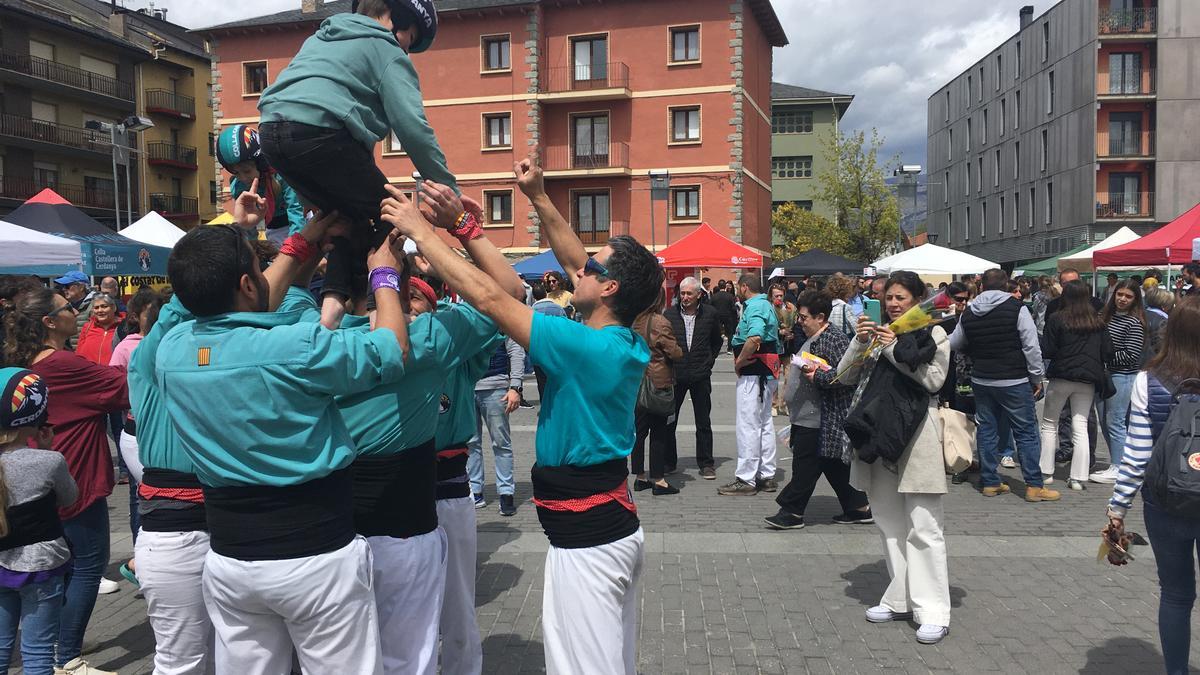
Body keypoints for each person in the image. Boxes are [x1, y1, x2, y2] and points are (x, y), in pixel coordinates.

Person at [383, 157, 662, 674]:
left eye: (593, 268)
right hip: (603, 526)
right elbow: (576, 256)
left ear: (609, 290)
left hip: (589, 542)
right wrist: (535, 196)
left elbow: (491, 296)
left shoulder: (582, 346)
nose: (579, 267)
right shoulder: (620, 336)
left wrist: (424, 231)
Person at [156, 217, 410, 673]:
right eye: (258, 268)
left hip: (232, 558)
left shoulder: (170, 349)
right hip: (315, 557)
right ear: (246, 284)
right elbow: (391, 350)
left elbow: (241, 303)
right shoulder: (294, 346)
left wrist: (301, 244)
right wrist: (384, 275)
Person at [257, 0, 455, 330]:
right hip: (321, 133)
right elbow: (413, 129)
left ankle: (331, 310)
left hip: (272, 135)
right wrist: (448, 191)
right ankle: (383, 318)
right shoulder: (386, 47)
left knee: (342, 221)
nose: (407, 47)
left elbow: (349, 142)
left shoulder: (320, 40)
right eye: (411, 36)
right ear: (398, 21)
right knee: (392, 217)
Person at [2, 288, 127, 675]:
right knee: (88, 566)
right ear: (49, 322)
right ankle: (66, 655)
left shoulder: (19, 363)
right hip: (71, 477)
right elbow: (121, 385)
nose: (79, 311)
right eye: (69, 307)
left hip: (20, 487)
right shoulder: (61, 364)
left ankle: (53, 649)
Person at [836, 271, 951, 645]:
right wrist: (860, 341)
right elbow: (844, 377)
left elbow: (933, 381)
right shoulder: (878, 332)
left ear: (918, 298)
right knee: (888, 521)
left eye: (901, 297)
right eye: (888, 297)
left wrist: (890, 347)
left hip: (917, 436)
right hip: (876, 436)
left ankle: (933, 609)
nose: (893, 304)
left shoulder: (933, 332)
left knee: (924, 524)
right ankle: (900, 596)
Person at [1104, 295, 1200, 675]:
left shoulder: (1148, 380)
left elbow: (1137, 455)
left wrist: (1117, 509)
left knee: (1176, 595)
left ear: (1170, 332)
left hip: (1166, 502)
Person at [950, 269, 1058, 502]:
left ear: (982, 287)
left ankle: (990, 482)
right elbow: (1031, 346)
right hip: (1014, 379)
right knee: (1026, 432)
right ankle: (1033, 486)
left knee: (987, 429)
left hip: (982, 378)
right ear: (1005, 286)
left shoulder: (969, 312)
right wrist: (1036, 377)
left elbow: (956, 342)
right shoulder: (1016, 309)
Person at [764, 290, 870, 529]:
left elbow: (845, 376)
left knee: (805, 467)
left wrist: (817, 376)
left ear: (820, 317)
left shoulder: (833, 339)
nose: (800, 322)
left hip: (821, 418)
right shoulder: (817, 337)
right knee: (833, 465)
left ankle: (791, 512)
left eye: (804, 317)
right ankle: (858, 507)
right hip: (809, 416)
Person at [0, 369, 78, 675]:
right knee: (38, 652)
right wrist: (47, 449)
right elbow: (70, 498)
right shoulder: (49, 461)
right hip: (41, 568)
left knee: (2, 646)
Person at [107, 288, 164, 586]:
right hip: (136, 430)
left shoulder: (170, 344)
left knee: (152, 497)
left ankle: (142, 563)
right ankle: (141, 563)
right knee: (145, 497)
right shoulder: (131, 347)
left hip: (150, 431)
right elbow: (116, 387)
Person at [1038, 281, 1113, 492]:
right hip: (1088, 378)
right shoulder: (1097, 322)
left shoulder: (1056, 319)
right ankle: (1078, 477)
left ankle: (1046, 472)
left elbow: (1048, 350)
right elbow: (1108, 351)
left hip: (1061, 376)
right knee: (1080, 425)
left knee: (1049, 423)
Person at [718, 273, 780, 496]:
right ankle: (766, 474)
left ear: (744, 288)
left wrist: (740, 361)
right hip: (765, 372)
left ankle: (746, 477)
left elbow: (755, 337)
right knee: (763, 424)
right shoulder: (766, 305)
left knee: (748, 424)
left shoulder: (755, 307)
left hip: (754, 373)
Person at [663, 276, 722, 479]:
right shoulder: (669, 315)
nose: (685, 297)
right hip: (676, 375)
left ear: (699, 295)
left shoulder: (710, 314)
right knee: (670, 420)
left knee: (703, 421)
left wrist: (709, 362)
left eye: (689, 293)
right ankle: (669, 462)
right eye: (683, 293)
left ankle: (706, 463)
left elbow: (716, 341)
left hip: (700, 374)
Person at [1091, 279, 1147, 484]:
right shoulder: (1104, 316)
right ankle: (1118, 462)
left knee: (1116, 422)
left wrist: (1104, 357)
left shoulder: (1135, 322)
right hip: (1103, 375)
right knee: (1105, 422)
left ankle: (1120, 467)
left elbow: (1132, 355)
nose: (1122, 299)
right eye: (1120, 294)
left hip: (1122, 377)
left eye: (1128, 296)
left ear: (1135, 299)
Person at [216, 124, 306, 247]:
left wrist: (296, 248)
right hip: (273, 231)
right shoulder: (238, 187)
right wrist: (252, 249)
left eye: (247, 171)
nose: (243, 178)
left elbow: (296, 211)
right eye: (236, 173)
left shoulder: (282, 174)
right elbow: (249, 230)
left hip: (303, 222)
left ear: (260, 163)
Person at [631, 290, 683, 496]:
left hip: (638, 381)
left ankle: (639, 476)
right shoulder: (661, 322)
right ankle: (659, 479)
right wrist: (679, 350)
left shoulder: (636, 322)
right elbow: (674, 352)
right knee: (659, 432)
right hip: (658, 382)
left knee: (639, 431)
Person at [467, 337, 525, 516]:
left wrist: (516, 386)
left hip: (495, 385)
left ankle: (506, 493)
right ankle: (475, 490)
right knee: (471, 443)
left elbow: (516, 350)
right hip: (466, 385)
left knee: (501, 443)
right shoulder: (460, 311)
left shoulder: (498, 315)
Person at [530, 281, 566, 400]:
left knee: (542, 382)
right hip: (557, 350)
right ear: (546, 293)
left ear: (534, 297)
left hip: (538, 351)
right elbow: (565, 327)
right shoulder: (558, 308)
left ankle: (544, 405)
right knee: (558, 379)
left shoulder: (530, 311)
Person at [769, 283, 797, 417]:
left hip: (788, 347)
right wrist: (779, 332)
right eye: (776, 296)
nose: (779, 298)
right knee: (774, 377)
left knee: (789, 377)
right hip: (774, 347)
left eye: (781, 295)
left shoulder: (790, 308)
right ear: (771, 296)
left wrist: (793, 333)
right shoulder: (769, 309)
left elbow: (797, 324)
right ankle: (773, 404)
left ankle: (784, 403)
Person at [74, 294, 123, 366]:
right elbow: (78, 354)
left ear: (114, 308)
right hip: (90, 374)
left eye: (104, 306)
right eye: (96, 308)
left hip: (113, 374)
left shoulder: (123, 327)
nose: (100, 310)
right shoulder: (87, 327)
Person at [53, 272, 95, 347]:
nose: (63, 289)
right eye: (62, 286)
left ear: (81, 287)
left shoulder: (96, 305)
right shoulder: (66, 305)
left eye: (67, 286)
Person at [824, 274, 859, 338]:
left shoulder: (826, 306)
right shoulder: (845, 308)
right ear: (846, 291)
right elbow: (858, 332)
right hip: (844, 345)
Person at [708, 279, 738, 351]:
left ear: (718, 286)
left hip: (717, 316)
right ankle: (729, 348)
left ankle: (716, 347)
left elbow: (710, 306)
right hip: (728, 316)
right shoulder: (730, 296)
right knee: (730, 333)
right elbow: (733, 307)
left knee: (717, 332)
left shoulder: (714, 296)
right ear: (725, 286)